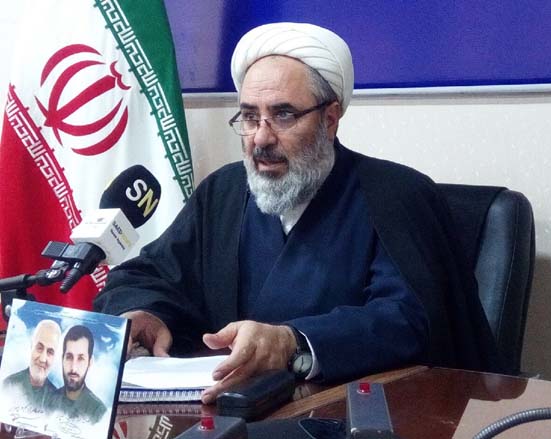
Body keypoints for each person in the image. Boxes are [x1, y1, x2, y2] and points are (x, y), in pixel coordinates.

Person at [94, 22, 503, 404]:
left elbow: (407, 320)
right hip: (230, 415)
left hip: (352, 417)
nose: (261, 138)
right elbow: (151, 275)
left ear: (330, 119)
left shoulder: (396, 196)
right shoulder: (224, 191)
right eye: (249, 116)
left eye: (283, 115)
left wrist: (293, 342)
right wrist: (147, 312)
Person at [51, 325, 106, 423]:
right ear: (62, 359)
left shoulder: (99, 412)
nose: (73, 368)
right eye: (69, 357)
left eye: (80, 358)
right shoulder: (49, 400)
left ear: (90, 363)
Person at [2, 319, 61, 410]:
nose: (42, 359)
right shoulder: (8, 385)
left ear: (55, 357)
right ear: (31, 346)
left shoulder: (57, 400)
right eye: (39, 348)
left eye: (50, 352)